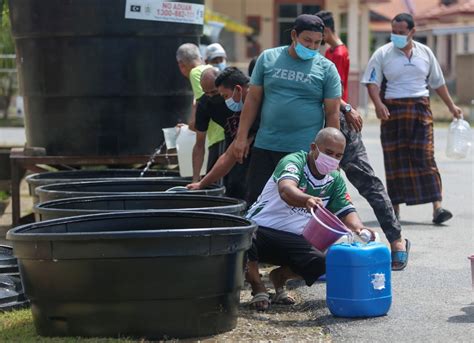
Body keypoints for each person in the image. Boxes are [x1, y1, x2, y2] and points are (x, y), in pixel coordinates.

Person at [316, 10, 409, 270]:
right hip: (322, 123)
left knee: (367, 182)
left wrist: (345, 108)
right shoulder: (326, 55)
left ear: (324, 30)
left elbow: (333, 93)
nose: (313, 42)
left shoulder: (337, 54)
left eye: (316, 36)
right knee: (318, 185)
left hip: (341, 125)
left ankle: (396, 240)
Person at [245, 128, 376, 311]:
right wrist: (306, 199)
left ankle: (279, 277)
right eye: (328, 153)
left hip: (293, 239)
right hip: (260, 229)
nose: (333, 159)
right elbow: (286, 190)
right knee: (243, 239)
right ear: (314, 147)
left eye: (338, 156)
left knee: (323, 262)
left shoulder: (335, 178)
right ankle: (258, 287)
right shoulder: (294, 162)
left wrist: (361, 230)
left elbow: (347, 211)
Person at [362, 13, 463, 225]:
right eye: (394, 32)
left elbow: (438, 83)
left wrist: (451, 106)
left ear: (412, 32)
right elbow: (372, 83)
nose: (396, 36)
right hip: (393, 110)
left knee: (426, 157)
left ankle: (437, 207)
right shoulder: (382, 54)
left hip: (420, 109)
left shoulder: (425, 53)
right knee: (394, 159)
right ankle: (395, 210)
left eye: (401, 32)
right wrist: (378, 105)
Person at [232, 14, 342, 205]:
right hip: (266, 146)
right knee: (257, 201)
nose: (312, 47)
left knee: (296, 205)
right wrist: (240, 137)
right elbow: (253, 99)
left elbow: (332, 113)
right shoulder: (268, 58)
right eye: (307, 41)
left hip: (302, 152)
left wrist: (330, 155)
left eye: (318, 43)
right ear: (294, 35)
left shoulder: (327, 69)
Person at [190, 67, 255, 198]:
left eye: (216, 93)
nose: (211, 97)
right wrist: (197, 181)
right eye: (206, 93)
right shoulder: (205, 104)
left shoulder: (253, 100)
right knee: (233, 184)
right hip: (235, 142)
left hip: (258, 147)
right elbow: (200, 144)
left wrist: (249, 138)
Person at [176, 43, 226, 172]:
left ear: (181, 65)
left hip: (219, 136)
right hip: (226, 133)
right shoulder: (211, 70)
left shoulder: (195, 72)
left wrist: (190, 126)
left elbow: (202, 104)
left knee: (217, 183)